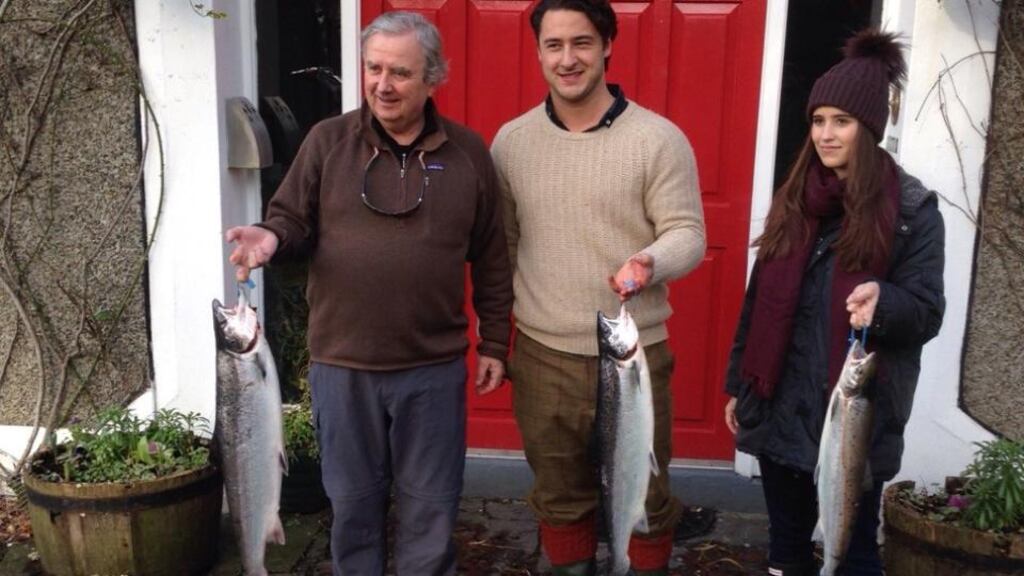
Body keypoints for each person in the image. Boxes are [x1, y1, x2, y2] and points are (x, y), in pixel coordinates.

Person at [226, 12, 513, 576]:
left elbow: (494, 257)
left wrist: (496, 342)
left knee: (430, 508)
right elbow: (290, 221)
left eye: (400, 72)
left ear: (433, 78)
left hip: (431, 368)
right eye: (373, 68)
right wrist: (269, 235)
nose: (383, 83)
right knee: (353, 505)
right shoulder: (327, 142)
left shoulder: (468, 155)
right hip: (343, 365)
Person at [490, 1, 706, 573]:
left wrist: (648, 261)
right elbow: (502, 247)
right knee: (560, 496)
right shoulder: (510, 144)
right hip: (543, 355)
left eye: (582, 43)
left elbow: (687, 233)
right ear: (537, 52)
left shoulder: (658, 139)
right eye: (554, 45)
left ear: (608, 44)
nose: (568, 59)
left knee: (648, 496)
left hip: (635, 355)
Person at [723, 30, 945, 576]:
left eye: (840, 121)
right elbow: (758, 302)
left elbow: (926, 310)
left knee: (852, 554)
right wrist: (738, 383)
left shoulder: (913, 211)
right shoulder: (797, 198)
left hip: (855, 413)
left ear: (869, 129)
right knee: (786, 548)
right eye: (818, 120)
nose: (825, 134)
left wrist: (884, 301)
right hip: (779, 405)